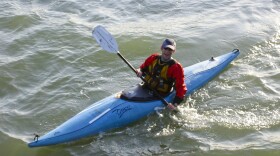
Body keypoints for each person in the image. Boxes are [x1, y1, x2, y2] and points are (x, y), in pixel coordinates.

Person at [136, 39, 187, 111]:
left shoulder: (176, 67)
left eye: (170, 50)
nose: (167, 52)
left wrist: (175, 104)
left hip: (161, 93)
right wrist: (139, 71)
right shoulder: (153, 58)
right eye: (166, 48)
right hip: (147, 86)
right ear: (161, 48)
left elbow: (181, 87)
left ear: (173, 51)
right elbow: (143, 68)